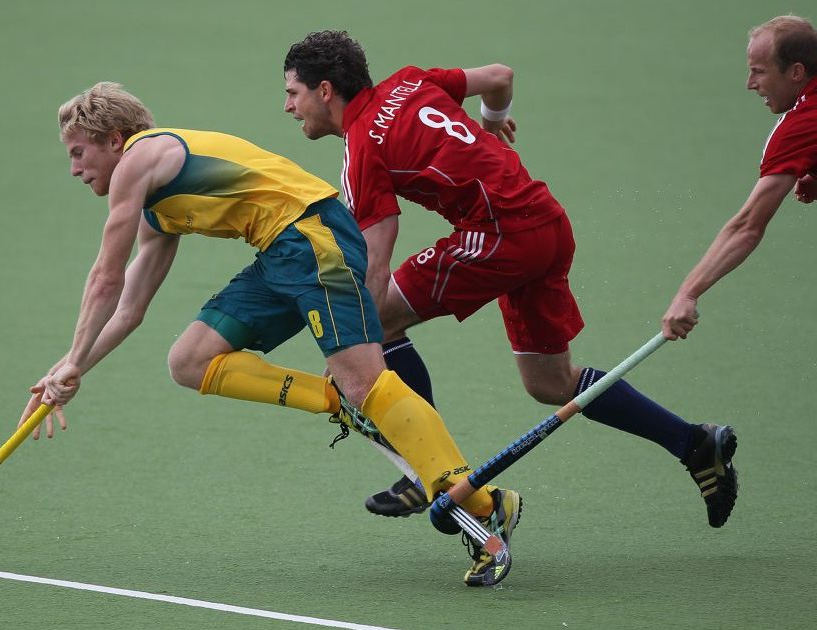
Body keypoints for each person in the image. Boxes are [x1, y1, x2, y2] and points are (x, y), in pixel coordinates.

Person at [18, 81, 521, 586]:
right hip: (281, 252)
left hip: (313, 236)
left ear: (114, 138)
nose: (75, 169)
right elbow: (128, 306)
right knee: (189, 360)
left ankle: (484, 504)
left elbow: (105, 277)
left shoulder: (138, 159)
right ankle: (334, 400)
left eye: (79, 152)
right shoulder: (156, 205)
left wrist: (72, 359)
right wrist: (73, 367)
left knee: (365, 381)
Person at [281, 31, 739, 571]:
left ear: (327, 90)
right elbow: (499, 77)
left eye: (293, 93)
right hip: (547, 222)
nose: (289, 105)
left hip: (500, 237)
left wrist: (354, 348)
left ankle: (427, 469)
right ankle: (693, 443)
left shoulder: (362, 150)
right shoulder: (411, 81)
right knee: (549, 382)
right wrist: (493, 120)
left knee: (375, 320)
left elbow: (377, 262)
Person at [663, 15, 817, 339]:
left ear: (796, 72)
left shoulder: (799, 126)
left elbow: (747, 227)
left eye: (759, 71)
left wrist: (688, 293)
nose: (750, 83)